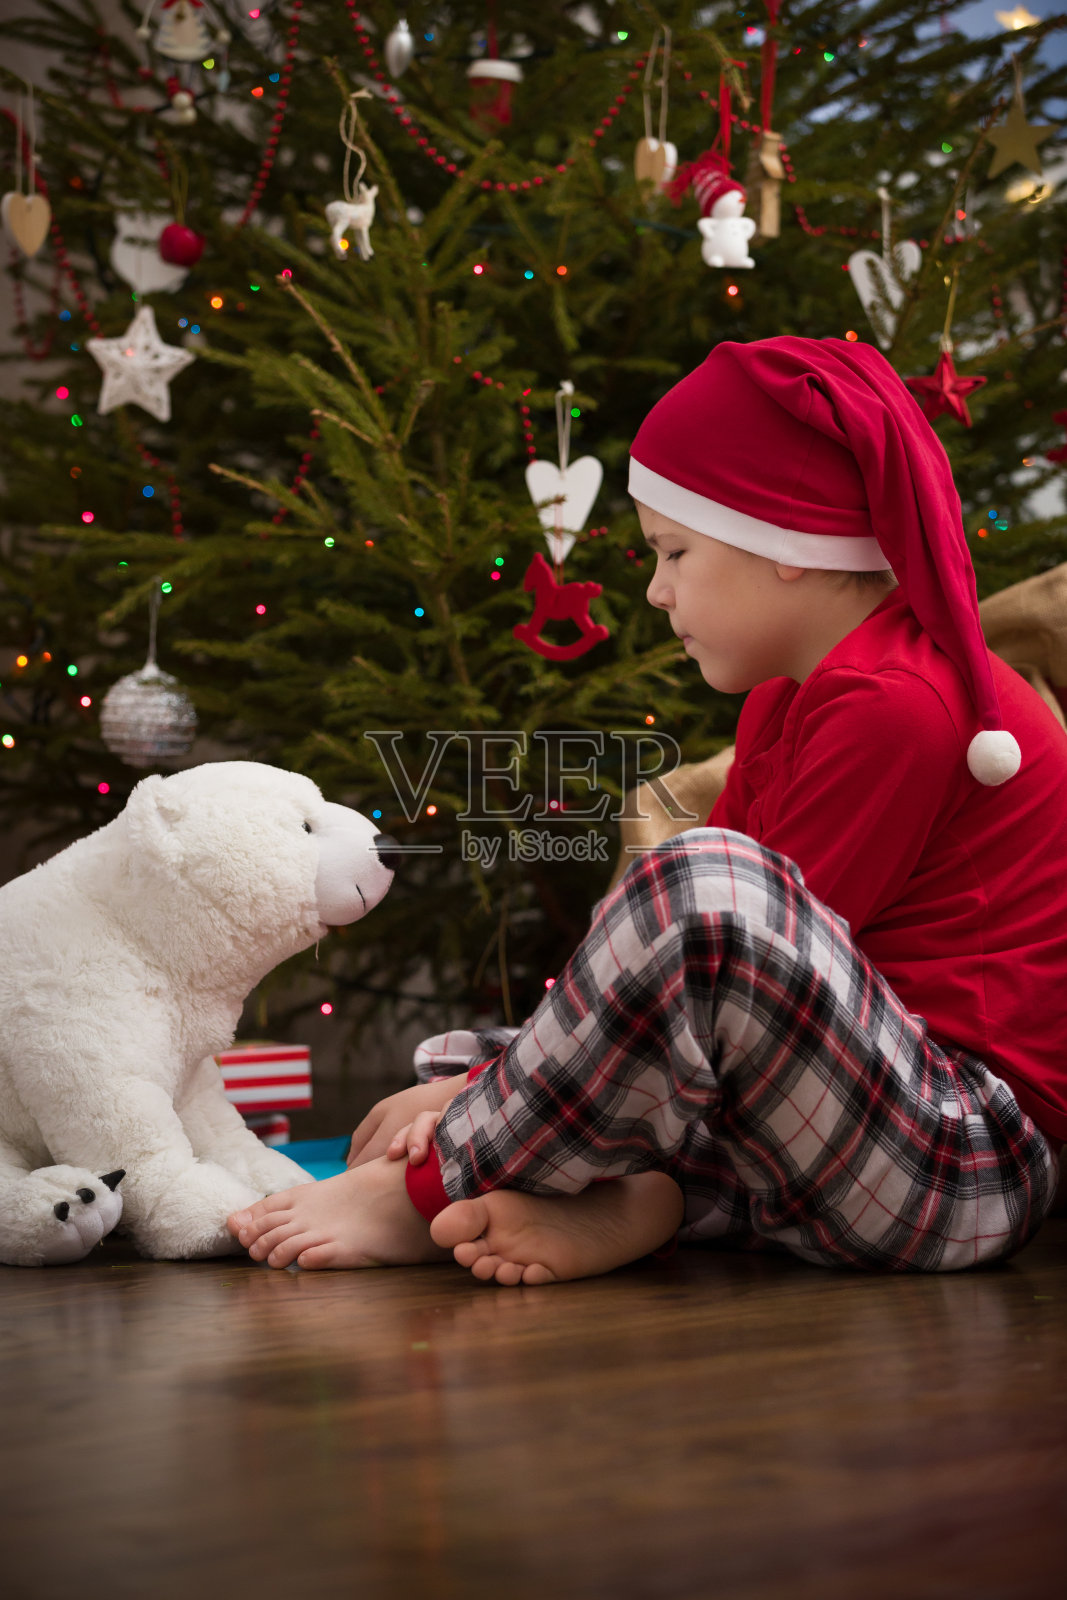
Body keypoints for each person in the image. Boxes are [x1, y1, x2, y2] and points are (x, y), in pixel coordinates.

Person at [228, 336, 1067, 1283]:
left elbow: (737, 947)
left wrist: (478, 1102)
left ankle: (438, 1188)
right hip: (821, 1142)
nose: (655, 589)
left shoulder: (898, 705)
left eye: (674, 551)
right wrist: (481, 1073)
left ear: (782, 544)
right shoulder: (787, 701)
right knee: (566, 1000)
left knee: (699, 885)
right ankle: (653, 1201)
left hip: (965, 1158)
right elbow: (703, 1004)